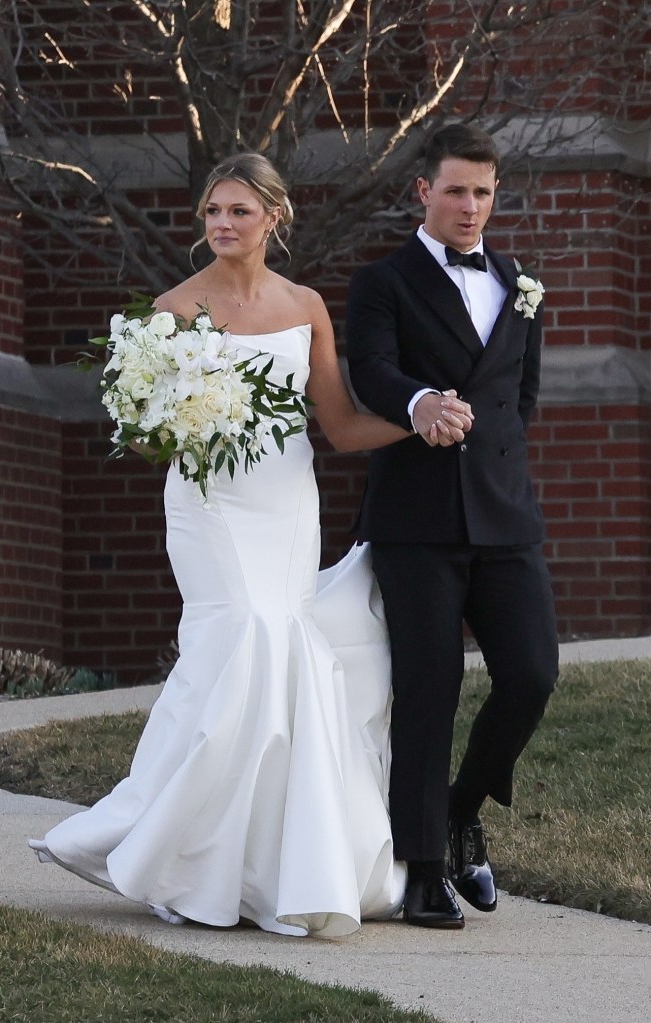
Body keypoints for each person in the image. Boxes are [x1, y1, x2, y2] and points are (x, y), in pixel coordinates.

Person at [28, 152, 435, 938]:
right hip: (209, 504)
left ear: (273, 219)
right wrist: (176, 420)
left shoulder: (307, 305)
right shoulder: (171, 309)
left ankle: (269, 864)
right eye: (213, 211)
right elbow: (144, 438)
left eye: (238, 212)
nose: (221, 223)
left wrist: (417, 422)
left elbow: (342, 425)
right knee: (243, 635)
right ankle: (181, 850)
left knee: (279, 652)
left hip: (285, 501)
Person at [346, 123, 559, 930]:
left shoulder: (520, 282)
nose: (471, 206)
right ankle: (425, 868)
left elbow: (521, 399)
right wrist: (420, 404)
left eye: (483, 192)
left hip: (505, 517)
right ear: (422, 193)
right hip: (418, 520)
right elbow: (368, 368)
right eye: (457, 190)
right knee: (429, 688)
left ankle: (462, 807)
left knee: (533, 673)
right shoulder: (383, 281)